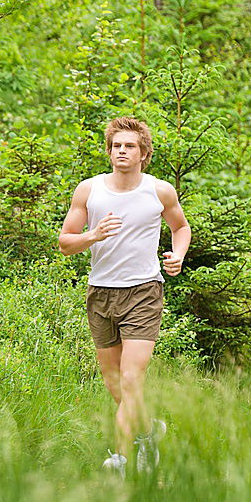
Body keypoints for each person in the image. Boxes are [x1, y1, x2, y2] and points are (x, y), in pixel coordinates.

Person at [58, 117, 191, 476]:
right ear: (109, 151)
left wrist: (177, 254)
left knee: (132, 379)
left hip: (144, 291)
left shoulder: (159, 191)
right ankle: (148, 434)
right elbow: (66, 242)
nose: (121, 151)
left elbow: (180, 226)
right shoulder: (89, 191)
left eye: (129, 146)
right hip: (101, 293)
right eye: (116, 146)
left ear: (143, 153)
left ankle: (120, 459)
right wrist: (93, 236)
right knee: (114, 382)